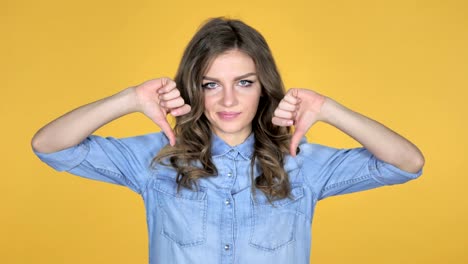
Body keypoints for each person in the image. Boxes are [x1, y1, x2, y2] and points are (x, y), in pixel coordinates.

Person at [31, 17, 424, 264]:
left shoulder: (300, 162)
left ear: (263, 87)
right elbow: (49, 145)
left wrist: (329, 109)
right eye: (211, 84)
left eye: (244, 83)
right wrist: (130, 99)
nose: (229, 100)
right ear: (193, 88)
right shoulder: (157, 160)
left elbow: (406, 163)